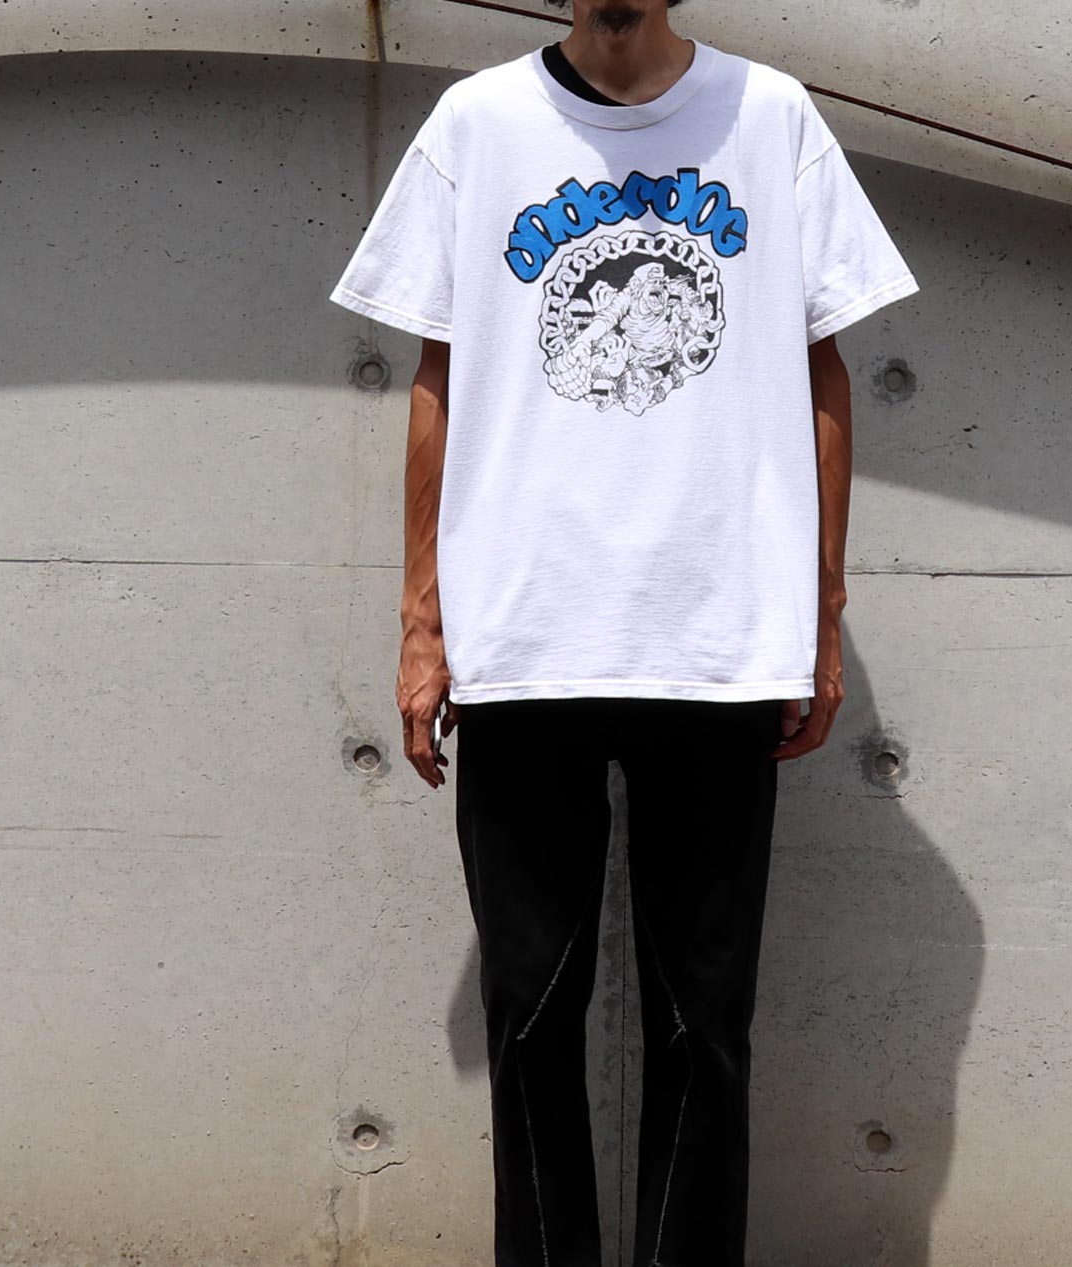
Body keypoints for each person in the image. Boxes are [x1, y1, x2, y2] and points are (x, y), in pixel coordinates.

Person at [328, 0, 920, 1261]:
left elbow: (822, 369)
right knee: (530, 1018)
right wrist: (422, 621)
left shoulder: (769, 118)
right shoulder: (478, 125)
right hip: (523, 636)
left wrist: (819, 612)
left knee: (705, 1025)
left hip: (716, 644)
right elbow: (437, 377)